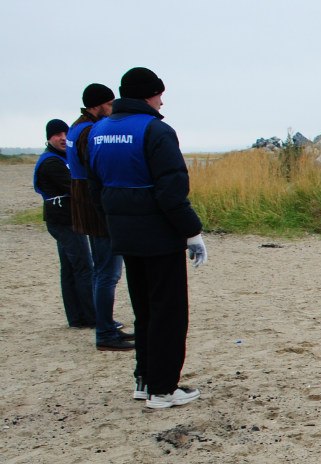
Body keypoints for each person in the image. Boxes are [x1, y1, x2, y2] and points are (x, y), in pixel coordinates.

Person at [88, 67, 207, 409]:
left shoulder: (99, 131)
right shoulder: (156, 131)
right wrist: (191, 232)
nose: (162, 100)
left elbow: (94, 188)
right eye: (159, 94)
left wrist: (115, 221)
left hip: (124, 234)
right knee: (168, 311)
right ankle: (164, 388)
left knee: (143, 309)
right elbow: (171, 191)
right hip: (158, 236)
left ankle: (144, 378)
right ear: (148, 96)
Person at [67, 82, 133, 351]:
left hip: (84, 205)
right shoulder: (90, 131)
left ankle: (104, 323)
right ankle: (105, 331)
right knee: (108, 272)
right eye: (108, 104)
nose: (112, 108)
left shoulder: (76, 127)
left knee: (101, 271)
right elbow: (97, 168)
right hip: (96, 208)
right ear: (97, 105)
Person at [33, 119, 95, 330]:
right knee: (84, 267)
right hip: (64, 222)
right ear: (48, 138)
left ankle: (77, 319)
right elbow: (74, 187)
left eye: (64, 134)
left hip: (66, 220)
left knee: (70, 269)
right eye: (57, 134)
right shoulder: (51, 162)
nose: (62, 138)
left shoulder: (63, 158)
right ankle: (92, 317)